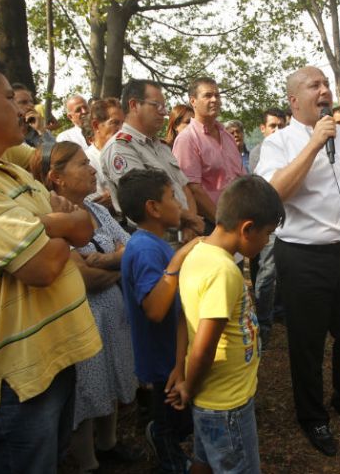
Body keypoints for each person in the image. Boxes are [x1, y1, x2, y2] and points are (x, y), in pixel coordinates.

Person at [255, 66, 340, 457]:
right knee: (307, 342)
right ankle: (312, 416)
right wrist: (314, 144)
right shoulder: (278, 144)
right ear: (294, 100)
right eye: (314, 86)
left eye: (326, 85)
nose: (324, 92)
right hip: (303, 257)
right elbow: (273, 193)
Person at [0, 56, 102, 474]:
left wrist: (52, 224)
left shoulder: (10, 167)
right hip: (17, 382)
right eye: (8, 98)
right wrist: (62, 222)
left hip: (52, 363)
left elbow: (84, 227)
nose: (22, 109)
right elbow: (43, 266)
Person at [29, 141, 141, 473]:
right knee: (88, 390)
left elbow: (131, 248)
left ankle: (108, 445)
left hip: (113, 313)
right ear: (57, 178)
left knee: (112, 380)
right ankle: (88, 463)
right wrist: (118, 263)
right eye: (82, 164)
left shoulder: (97, 210)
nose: (93, 169)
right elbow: (81, 278)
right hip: (82, 317)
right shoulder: (52, 222)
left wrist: (107, 260)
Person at [171, 175, 285, 474]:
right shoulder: (224, 271)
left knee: (204, 460)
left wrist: (183, 375)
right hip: (226, 405)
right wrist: (188, 386)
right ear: (247, 229)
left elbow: (184, 315)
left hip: (213, 399)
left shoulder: (199, 253)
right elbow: (204, 349)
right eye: (268, 234)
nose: (267, 241)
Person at [119, 168, 201, 474]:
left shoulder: (153, 243)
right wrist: (179, 262)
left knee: (180, 418)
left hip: (170, 352)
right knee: (169, 421)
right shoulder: (143, 249)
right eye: (171, 197)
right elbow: (154, 309)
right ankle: (169, 457)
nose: (179, 204)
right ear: (153, 208)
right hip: (161, 359)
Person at [100, 79, 204, 247]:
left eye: (164, 107)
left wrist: (190, 226)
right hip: (155, 243)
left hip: (184, 237)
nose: (163, 113)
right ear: (134, 105)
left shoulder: (161, 146)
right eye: (156, 105)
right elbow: (147, 199)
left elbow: (185, 188)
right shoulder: (120, 148)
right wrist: (190, 219)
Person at [173, 77, 247, 234]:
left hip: (238, 220)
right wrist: (223, 223)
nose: (214, 99)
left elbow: (240, 177)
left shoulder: (227, 136)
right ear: (193, 101)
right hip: (212, 225)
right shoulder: (187, 139)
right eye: (207, 95)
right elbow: (193, 190)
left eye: (217, 95)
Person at [247, 108, 288, 345]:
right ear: (263, 129)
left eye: (281, 126)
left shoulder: (292, 149)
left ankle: (278, 311)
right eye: (273, 126)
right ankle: (263, 323)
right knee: (267, 272)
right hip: (266, 220)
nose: (277, 130)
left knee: (279, 268)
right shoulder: (258, 152)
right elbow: (266, 187)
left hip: (287, 220)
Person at [82, 97, 124, 213]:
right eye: (115, 123)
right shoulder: (87, 160)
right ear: (96, 126)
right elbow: (96, 204)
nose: (121, 129)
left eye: (123, 123)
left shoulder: (129, 153)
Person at [13, 83, 56, 148]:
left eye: (31, 102)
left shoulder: (38, 131)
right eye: (23, 102)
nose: (31, 105)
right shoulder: (6, 134)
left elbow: (56, 153)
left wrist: (41, 130)